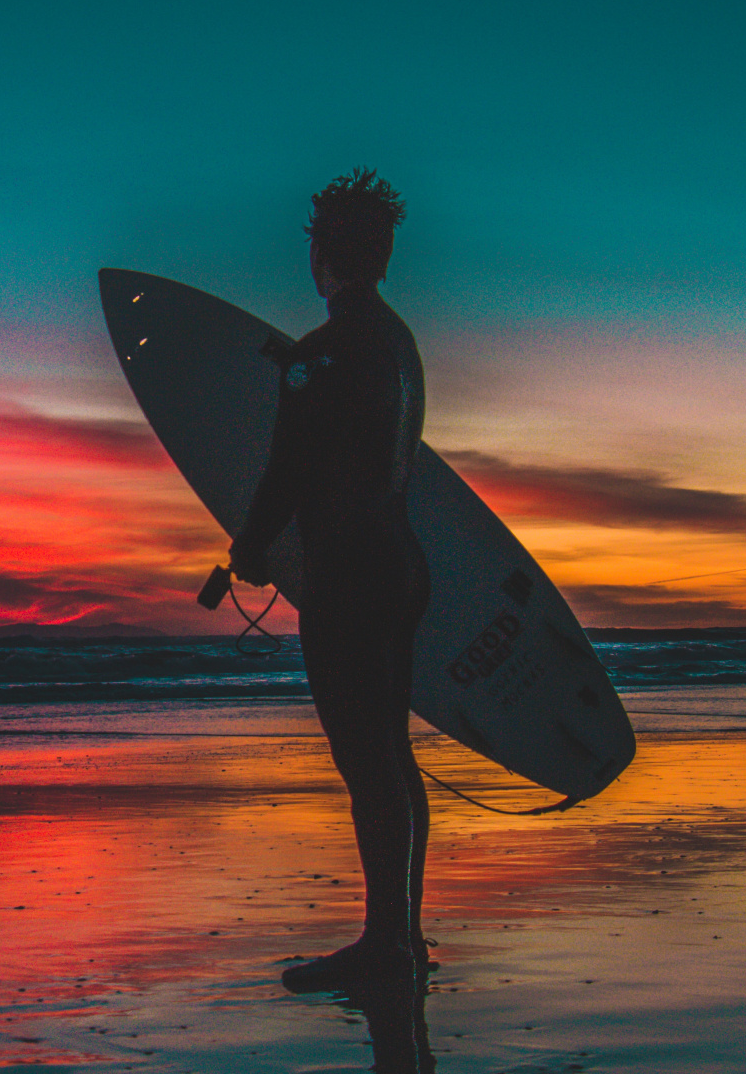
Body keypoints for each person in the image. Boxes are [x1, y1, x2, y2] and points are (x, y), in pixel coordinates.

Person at [228, 169, 433, 990]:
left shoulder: (320, 353)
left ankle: (383, 948)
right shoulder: (398, 345)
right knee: (394, 758)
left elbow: (290, 467)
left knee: (367, 764)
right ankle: (401, 938)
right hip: (398, 561)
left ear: (326, 254)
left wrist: (250, 546)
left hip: (348, 576)